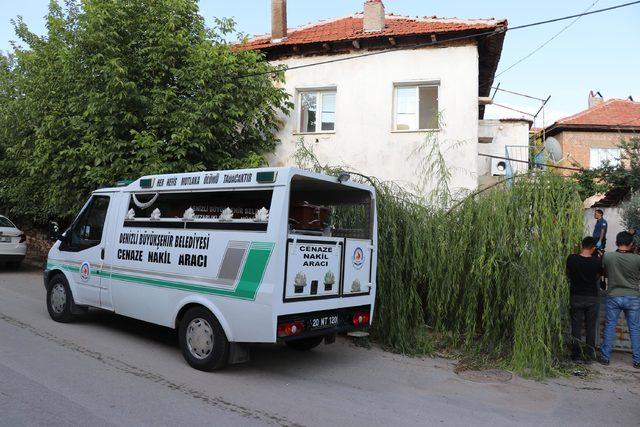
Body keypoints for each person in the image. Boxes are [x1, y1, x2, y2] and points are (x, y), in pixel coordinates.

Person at [599, 231, 640, 368]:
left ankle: (605, 358)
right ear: (631, 244)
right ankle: (637, 360)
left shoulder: (608, 257)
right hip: (633, 296)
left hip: (614, 295)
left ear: (616, 243)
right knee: (634, 328)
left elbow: (603, 272)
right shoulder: (637, 259)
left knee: (610, 326)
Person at [566, 237, 602, 361]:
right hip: (592, 297)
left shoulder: (572, 258)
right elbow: (598, 277)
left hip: (576, 296)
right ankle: (589, 355)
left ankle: (576, 355)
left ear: (581, 246)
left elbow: (568, 273)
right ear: (593, 248)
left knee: (576, 326)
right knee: (590, 327)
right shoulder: (597, 262)